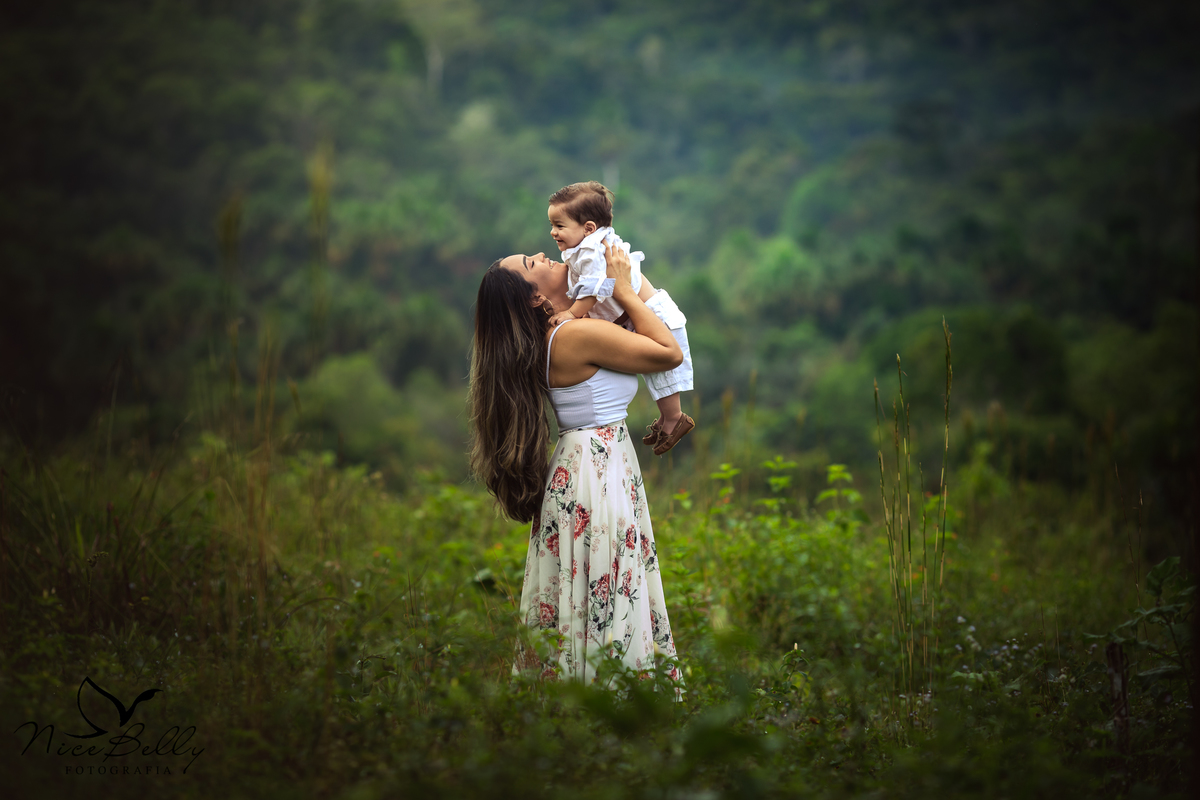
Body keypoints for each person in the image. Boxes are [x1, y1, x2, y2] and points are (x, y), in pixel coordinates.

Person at [469, 244, 683, 686]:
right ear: (533, 298)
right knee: (605, 587)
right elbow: (668, 352)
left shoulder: (567, 330)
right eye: (533, 264)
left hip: (588, 467)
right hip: (596, 473)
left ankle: (583, 710)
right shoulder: (572, 337)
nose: (546, 254)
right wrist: (624, 289)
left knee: (585, 594)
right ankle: (615, 704)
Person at [545, 181, 695, 456]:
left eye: (559, 225)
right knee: (654, 370)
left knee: (664, 372)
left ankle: (674, 418)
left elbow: (593, 290)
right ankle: (666, 418)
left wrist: (572, 313)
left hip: (653, 311)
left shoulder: (592, 251)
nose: (553, 232)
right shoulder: (584, 245)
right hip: (632, 313)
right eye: (552, 225)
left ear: (588, 227)